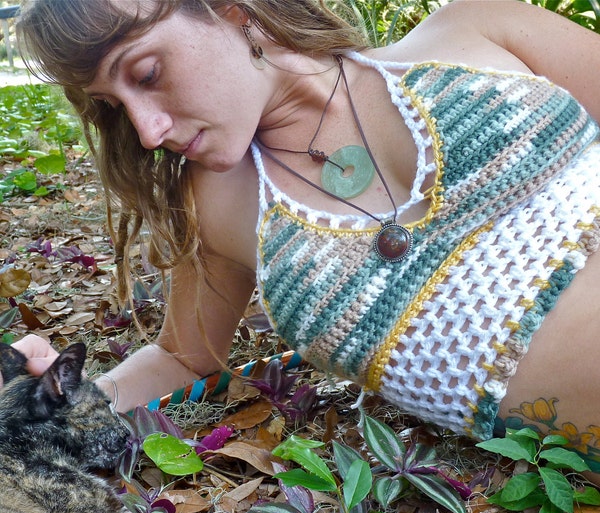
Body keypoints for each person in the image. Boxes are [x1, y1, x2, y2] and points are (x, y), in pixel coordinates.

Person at [13, 0, 600, 476]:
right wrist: (50, 401)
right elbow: (180, 355)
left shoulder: (478, 30)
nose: (146, 131)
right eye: (115, 103)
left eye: (147, 74)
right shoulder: (219, 205)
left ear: (230, 12)